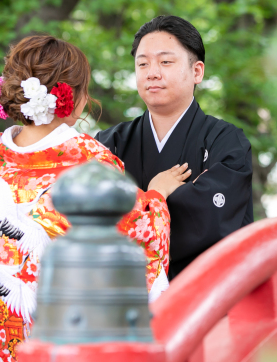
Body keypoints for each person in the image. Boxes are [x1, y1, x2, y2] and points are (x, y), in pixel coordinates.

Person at [0, 35, 190, 362]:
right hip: (72, 337)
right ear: (75, 98)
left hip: (2, 340)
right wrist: (157, 197)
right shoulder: (91, 161)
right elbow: (137, 233)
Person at [96, 15, 254, 280]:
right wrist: (160, 194)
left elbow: (214, 223)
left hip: (201, 297)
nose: (152, 72)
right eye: (143, 63)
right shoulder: (109, 142)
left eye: (166, 62)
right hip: (123, 297)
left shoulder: (226, 141)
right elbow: (90, 219)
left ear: (197, 72)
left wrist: (134, 205)